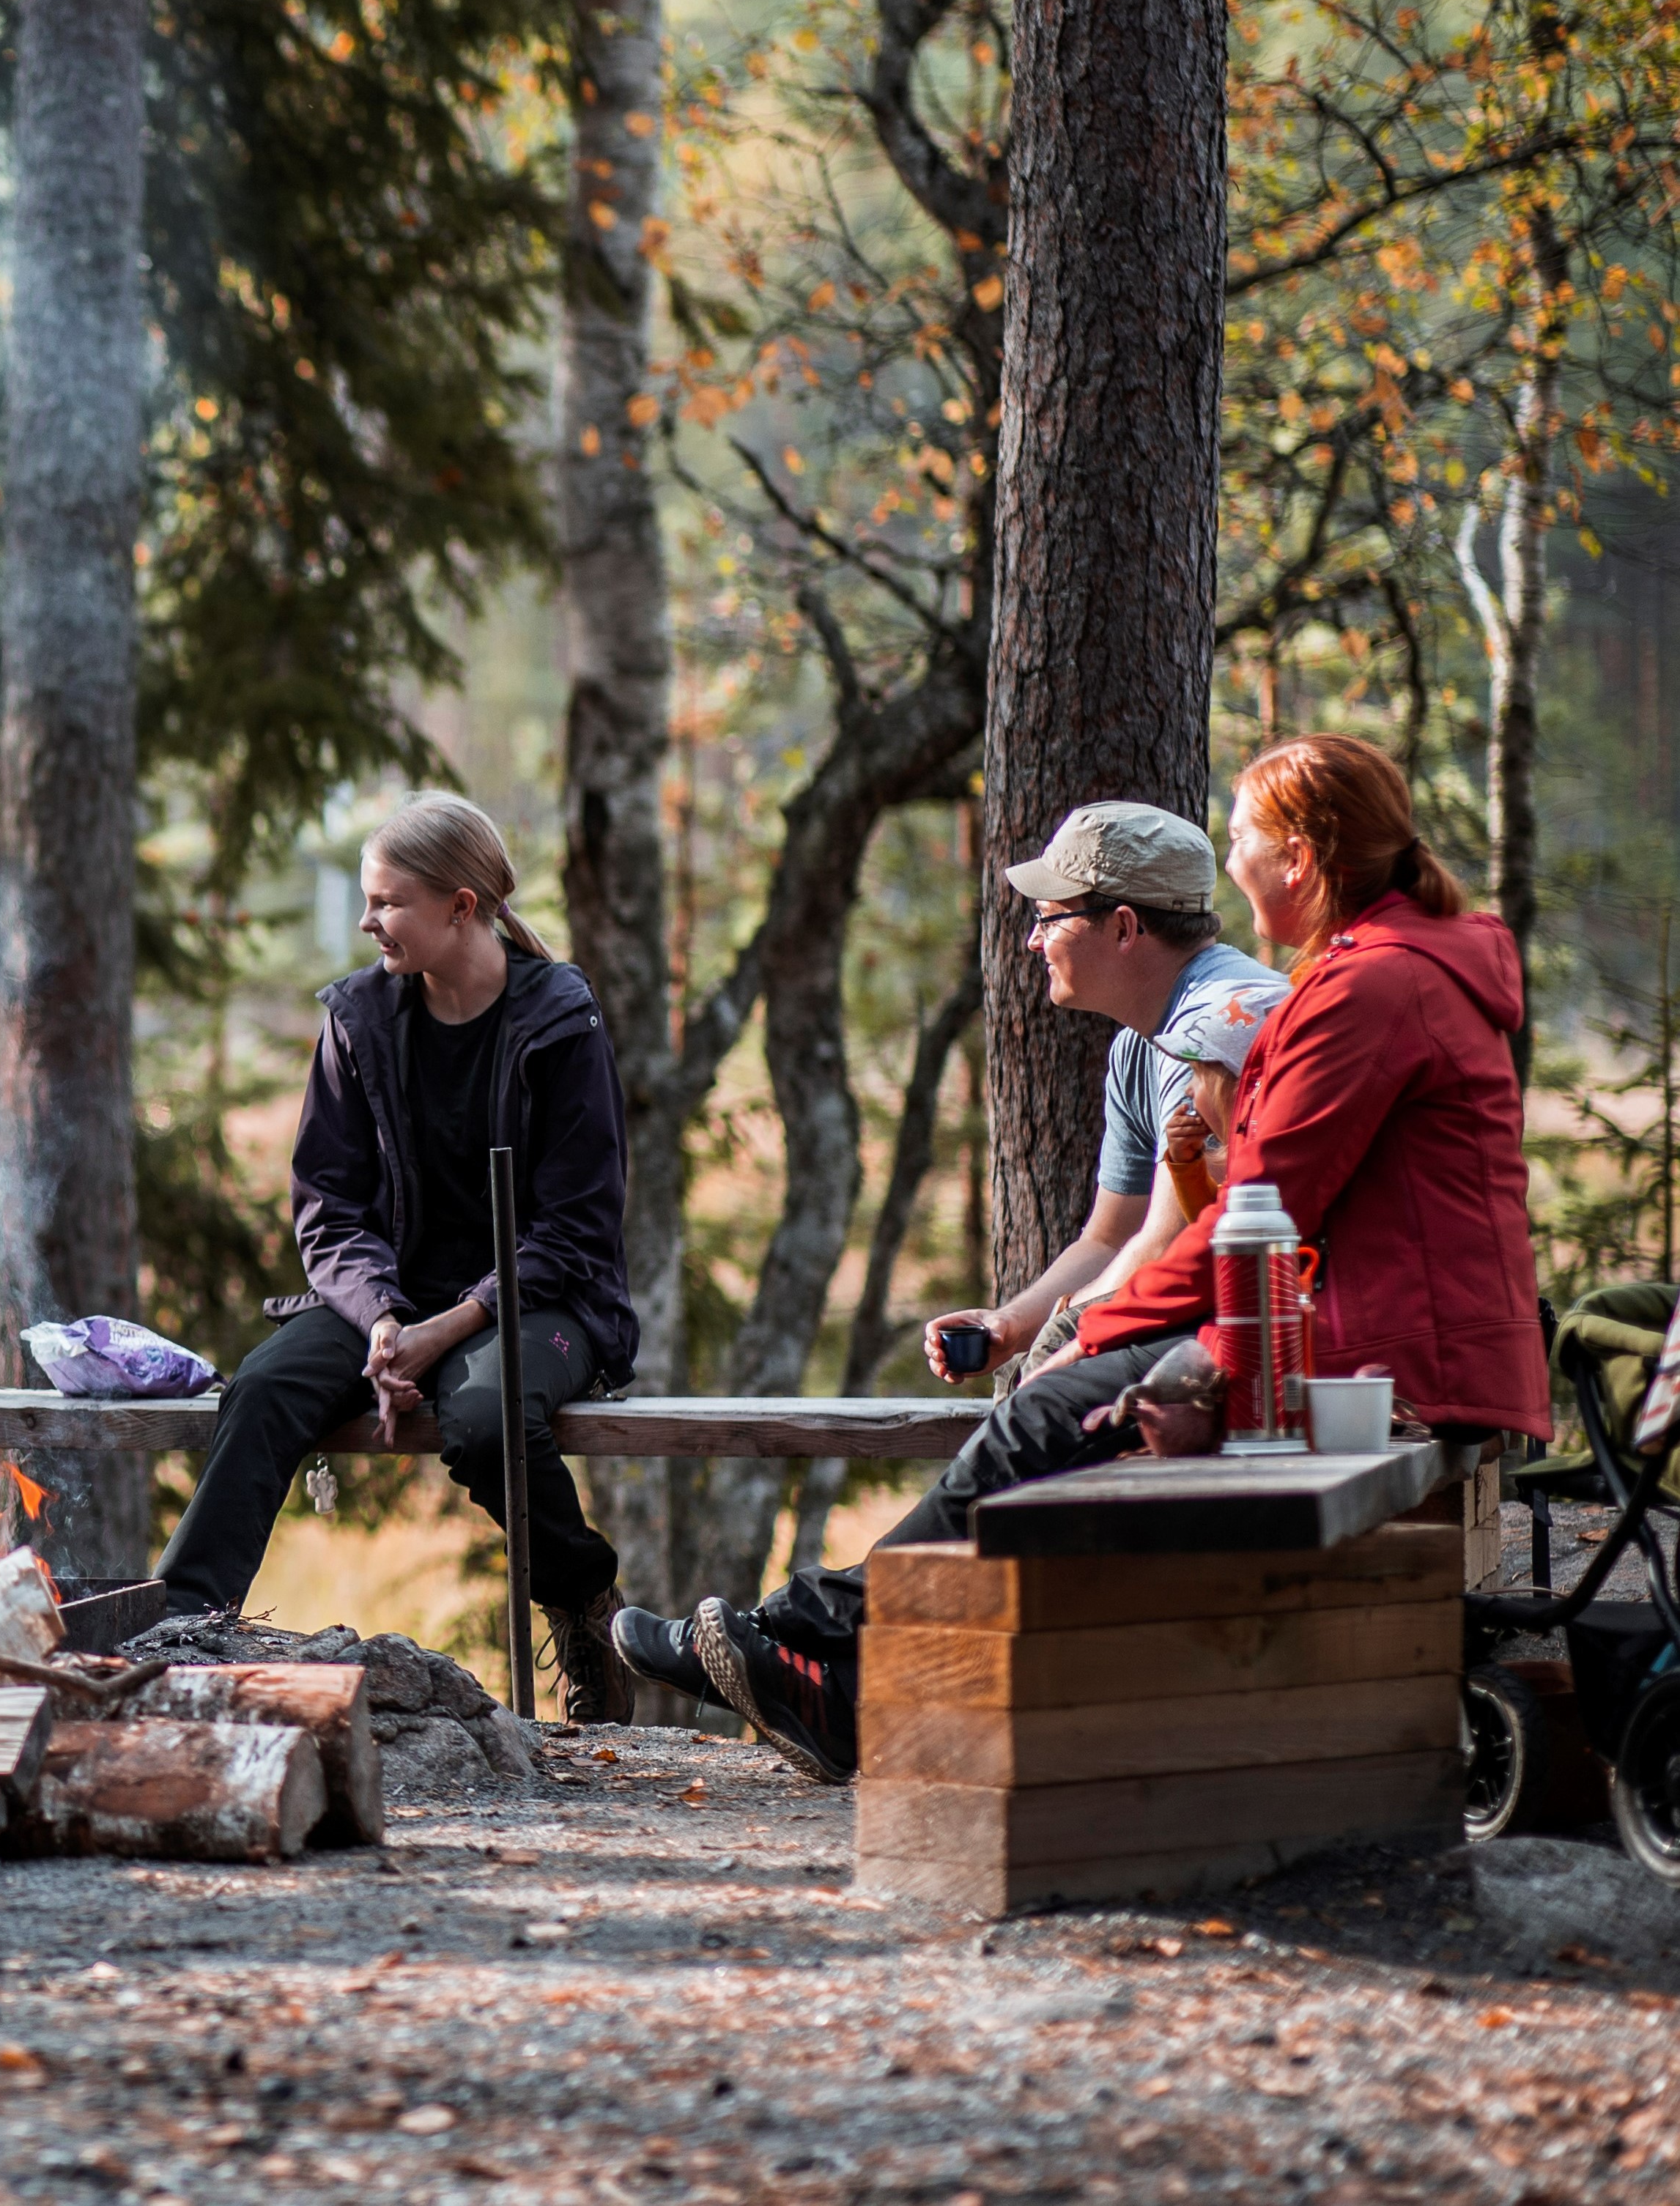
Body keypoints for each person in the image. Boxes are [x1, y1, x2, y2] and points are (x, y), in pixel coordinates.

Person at [626, 737, 1544, 1782]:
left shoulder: (1361, 990)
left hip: (1392, 1364)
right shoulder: (1371, 972)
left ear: (1299, 856)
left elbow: (1255, 1210)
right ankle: (830, 1655)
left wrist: (1095, 1333)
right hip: (1373, 1339)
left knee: (1050, 1422)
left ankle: (821, 1644)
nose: (1228, 858)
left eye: (1241, 836)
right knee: (1052, 1414)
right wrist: (1040, 1328)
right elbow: (1191, 1224)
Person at [149, 794, 640, 1721]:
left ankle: (581, 1603)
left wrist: (448, 1326)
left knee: (488, 1420)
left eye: (387, 902)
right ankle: (180, 1632)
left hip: (542, 1299)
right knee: (261, 1391)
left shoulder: (558, 1022)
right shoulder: (358, 1019)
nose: (367, 921)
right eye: (368, 901)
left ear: (461, 907)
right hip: (385, 1298)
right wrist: (380, 1318)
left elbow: (577, 1228)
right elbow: (326, 1207)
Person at [913, 802, 1287, 1386]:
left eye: (1049, 918)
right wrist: (1009, 1327)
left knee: (1053, 1372)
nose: (1034, 943)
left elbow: (1169, 1244)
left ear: (1123, 928)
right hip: (1228, 1326)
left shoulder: (1216, 1030)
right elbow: (1110, 1236)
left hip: (1284, 1348)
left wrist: (1060, 1335)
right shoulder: (1138, 1046)